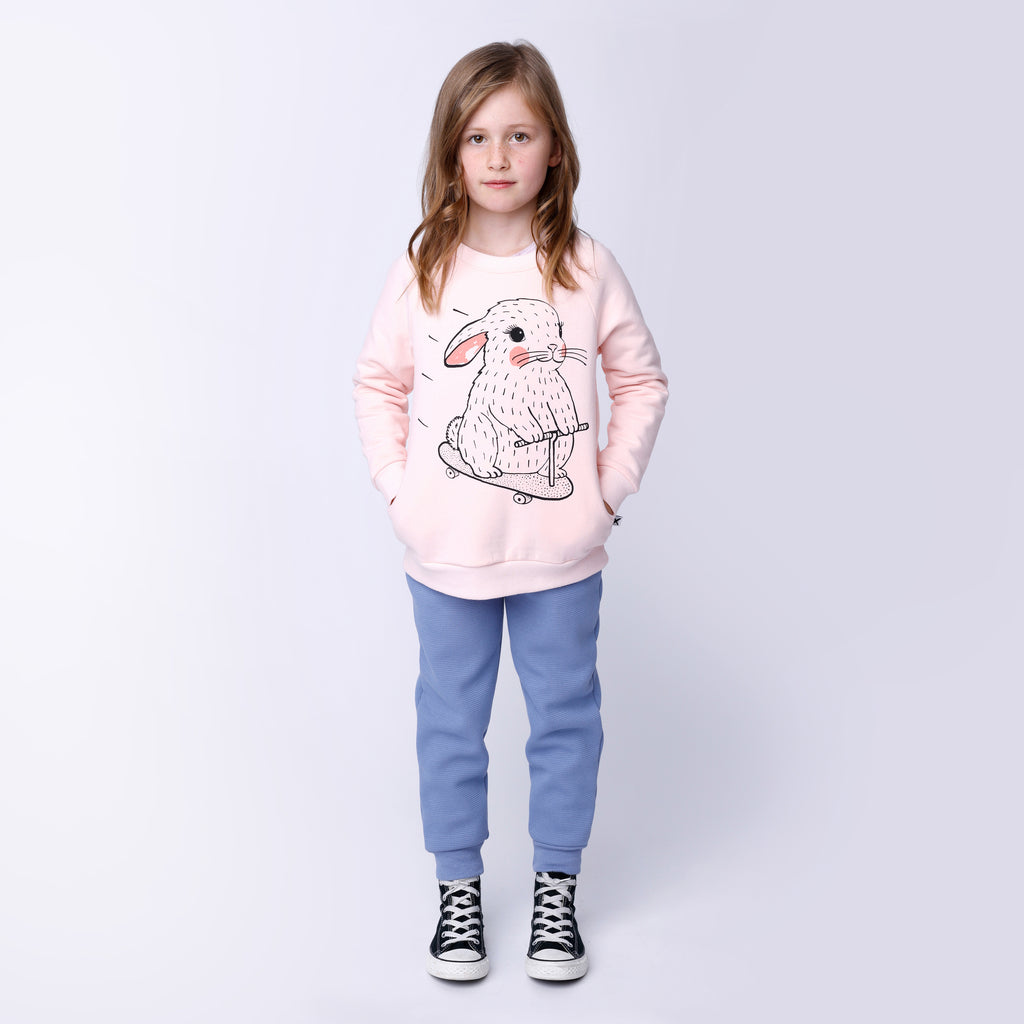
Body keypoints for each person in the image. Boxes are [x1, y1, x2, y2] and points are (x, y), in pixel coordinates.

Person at [353, 39, 668, 982]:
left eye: (519, 135)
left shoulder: (584, 266)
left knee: (565, 717)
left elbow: (640, 380)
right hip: (445, 552)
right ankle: (458, 890)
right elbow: (378, 382)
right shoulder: (425, 269)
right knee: (450, 722)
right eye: (478, 137)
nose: (498, 157)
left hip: (560, 553)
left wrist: (606, 491)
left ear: (554, 147)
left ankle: (555, 889)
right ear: (451, 152)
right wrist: (402, 492)